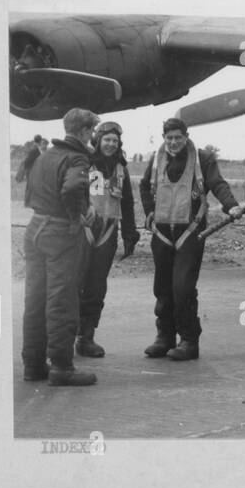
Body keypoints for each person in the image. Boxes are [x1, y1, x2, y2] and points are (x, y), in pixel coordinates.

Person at [140, 118, 245, 360]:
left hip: (191, 232)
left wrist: (231, 206)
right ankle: (165, 337)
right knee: (162, 288)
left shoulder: (203, 158)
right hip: (162, 234)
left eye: (178, 137)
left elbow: (217, 184)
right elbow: (145, 186)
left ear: (186, 136)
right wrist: (148, 211)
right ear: (164, 138)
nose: (174, 142)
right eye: (169, 138)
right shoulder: (157, 159)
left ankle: (189, 340)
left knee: (183, 287)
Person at [20, 108, 100, 386]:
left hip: (34, 230)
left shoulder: (45, 156)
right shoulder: (77, 157)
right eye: (92, 133)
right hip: (59, 233)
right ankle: (62, 367)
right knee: (62, 300)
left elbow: (29, 189)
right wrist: (77, 214)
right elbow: (71, 189)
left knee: (35, 299)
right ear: (86, 132)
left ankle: (33, 364)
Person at [75, 121, 138, 358]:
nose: (110, 144)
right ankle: (66, 334)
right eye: (107, 139)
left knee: (96, 285)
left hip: (108, 232)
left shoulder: (121, 168)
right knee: (74, 283)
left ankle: (86, 337)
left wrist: (130, 234)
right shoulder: (85, 163)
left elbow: (128, 203)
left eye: (114, 140)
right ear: (98, 140)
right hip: (84, 230)